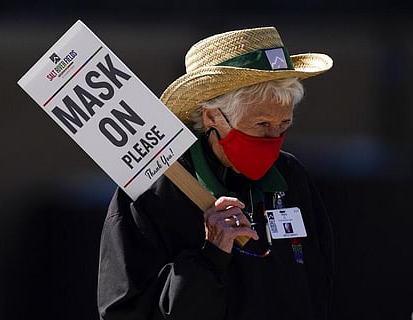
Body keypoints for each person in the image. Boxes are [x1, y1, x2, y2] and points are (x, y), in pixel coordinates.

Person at [97, 27, 334, 320]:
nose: (274, 137)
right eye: (261, 125)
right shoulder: (152, 190)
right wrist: (211, 256)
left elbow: (320, 288)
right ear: (211, 116)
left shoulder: (291, 176)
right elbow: (126, 311)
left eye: (283, 125)